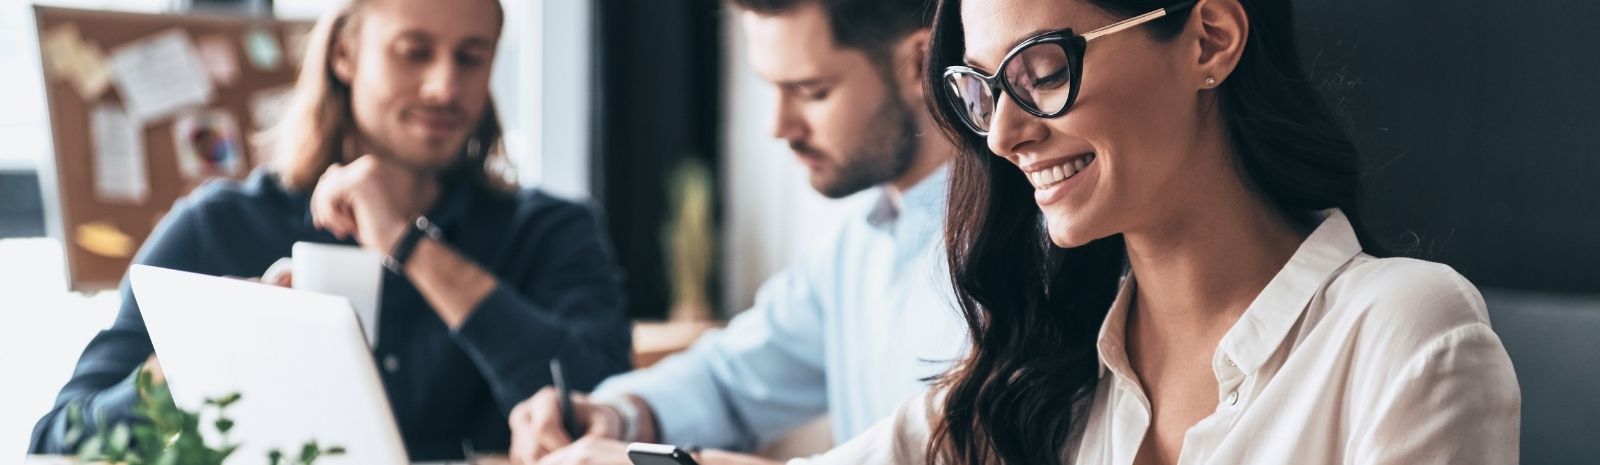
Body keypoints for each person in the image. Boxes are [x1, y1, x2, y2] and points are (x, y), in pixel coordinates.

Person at [798, 0, 1523, 463]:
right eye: (982, 91)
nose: (1004, 134)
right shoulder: (1034, 377)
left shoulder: (1406, 333)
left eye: (1042, 69)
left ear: (1210, 38)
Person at [30, 0, 632, 460]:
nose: (445, 86)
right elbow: (59, 442)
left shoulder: (551, 230)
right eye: (414, 52)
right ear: (345, 54)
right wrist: (203, 353)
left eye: (471, 57)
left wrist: (409, 244)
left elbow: (600, 409)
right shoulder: (217, 227)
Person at [507, 1, 966, 464]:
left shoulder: (1012, 251)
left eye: (811, 90)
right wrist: (616, 413)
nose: (778, 127)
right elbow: (730, 378)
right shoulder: (857, 245)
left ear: (919, 64)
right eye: (771, 88)